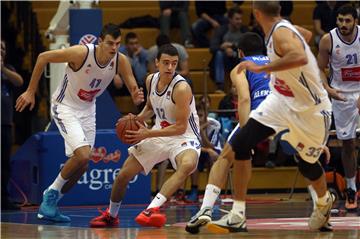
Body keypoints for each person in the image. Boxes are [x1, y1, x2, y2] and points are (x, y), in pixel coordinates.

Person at [186, 2, 334, 234]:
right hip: (281, 100)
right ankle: (237, 215)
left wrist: (261, 69)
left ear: (256, 14)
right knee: (241, 142)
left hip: (310, 109)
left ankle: (325, 201)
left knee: (307, 165)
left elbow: (299, 56)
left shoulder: (280, 33)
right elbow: (304, 34)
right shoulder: (284, 29)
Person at [15, 23, 144, 222]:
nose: (114, 48)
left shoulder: (120, 60)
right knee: (83, 155)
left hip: (88, 110)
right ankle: (49, 195)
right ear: (100, 41)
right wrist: (31, 91)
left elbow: (132, 85)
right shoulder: (81, 54)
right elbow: (43, 58)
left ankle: (51, 205)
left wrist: (136, 95)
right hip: (65, 106)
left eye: (118, 44)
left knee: (83, 166)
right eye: (110, 43)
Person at [89, 44, 201, 228]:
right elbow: (150, 107)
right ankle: (111, 215)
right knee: (124, 174)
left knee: (187, 165)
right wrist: (137, 118)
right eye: (166, 63)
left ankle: (152, 209)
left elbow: (180, 127)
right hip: (159, 133)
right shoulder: (151, 80)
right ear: (156, 63)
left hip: (185, 136)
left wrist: (147, 132)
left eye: (174, 63)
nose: (170, 68)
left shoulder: (181, 88)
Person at [185, 31, 271, 234]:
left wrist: (245, 133)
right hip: (287, 112)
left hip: (261, 114)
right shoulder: (275, 61)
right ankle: (321, 202)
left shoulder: (241, 66)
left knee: (225, 157)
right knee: (305, 157)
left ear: (240, 52)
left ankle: (206, 209)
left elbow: (243, 99)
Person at [317, 5, 359, 211]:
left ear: (355, 21)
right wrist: (327, 89)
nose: (343, 24)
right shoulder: (328, 40)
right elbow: (319, 69)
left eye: (347, 20)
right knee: (348, 144)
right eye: (340, 20)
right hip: (341, 95)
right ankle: (351, 189)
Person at [1, 39, 24, 210]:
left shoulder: (8, 69)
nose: (1, 51)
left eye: (3, 47)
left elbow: (19, 82)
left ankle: (3, 198)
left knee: (4, 163)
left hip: (5, 124)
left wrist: (2, 69)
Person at [209, 6, 248, 91]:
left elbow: (249, 48)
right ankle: (220, 86)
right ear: (230, 19)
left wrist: (232, 46)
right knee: (219, 54)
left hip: (239, 59)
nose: (240, 21)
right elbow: (212, 48)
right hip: (225, 60)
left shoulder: (244, 30)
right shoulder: (221, 30)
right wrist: (222, 48)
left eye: (241, 19)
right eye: (237, 19)